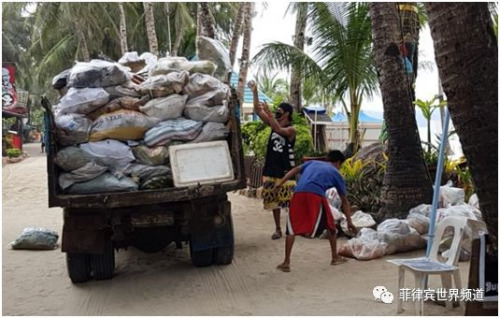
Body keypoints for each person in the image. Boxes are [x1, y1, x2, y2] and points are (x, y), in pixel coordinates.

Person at [274, 150, 357, 272]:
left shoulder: (312, 163)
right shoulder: (336, 173)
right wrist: (349, 222)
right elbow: (344, 200)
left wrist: (281, 182)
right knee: (330, 225)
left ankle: (286, 262)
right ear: (339, 162)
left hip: (298, 193)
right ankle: (335, 257)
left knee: (291, 227)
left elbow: (295, 170)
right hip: (316, 194)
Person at [248, 80, 296, 240]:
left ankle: (293, 227)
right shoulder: (272, 122)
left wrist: (269, 114)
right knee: (273, 202)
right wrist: (255, 91)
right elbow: (257, 110)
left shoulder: (291, 130)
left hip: (286, 171)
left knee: (289, 202)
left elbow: (278, 129)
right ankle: (278, 229)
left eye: (279, 111)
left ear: (287, 114)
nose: (276, 112)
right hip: (271, 169)